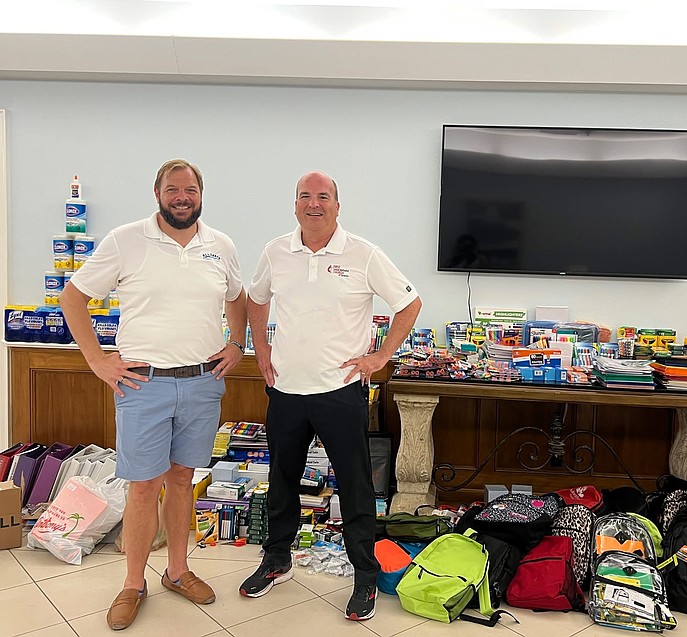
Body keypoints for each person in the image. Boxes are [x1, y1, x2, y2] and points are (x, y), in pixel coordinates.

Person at [59, 159, 247, 631]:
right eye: (172, 189)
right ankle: (133, 583)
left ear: (201, 193)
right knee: (143, 487)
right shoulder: (126, 239)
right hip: (142, 384)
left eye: (190, 189)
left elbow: (239, 296)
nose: (181, 197)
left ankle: (177, 571)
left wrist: (237, 341)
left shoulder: (219, 245)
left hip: (203, 382)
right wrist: (98, 361)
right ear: (158, 193)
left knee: (182, 480)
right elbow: (73, 297)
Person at [240, 171, 421, 621]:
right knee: (282, 480)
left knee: (356, 486)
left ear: (338, 206)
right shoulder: (276, 251)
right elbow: (256, 298)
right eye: (305, 196)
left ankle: (364, 575)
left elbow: (410, 303)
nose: (313, 204)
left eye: (323, 197)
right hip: (285, 390)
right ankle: (277, 560)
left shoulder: (363, 254)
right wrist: (260, 348)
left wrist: (380, 356)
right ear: (294, 203)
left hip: (340, 392)